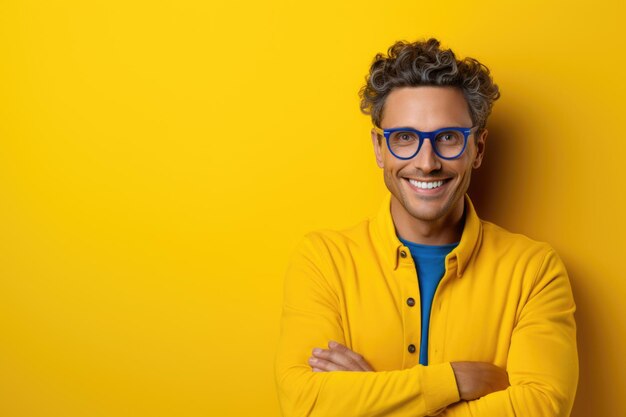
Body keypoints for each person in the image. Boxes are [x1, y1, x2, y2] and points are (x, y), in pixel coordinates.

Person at [275, 38, 578, 417]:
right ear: (379, 148)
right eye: (405, 138)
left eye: (447, 138)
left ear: (478, 149)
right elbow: (304, 404)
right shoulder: (323, 260)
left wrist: (371, 398)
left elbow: (543, 407)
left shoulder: (535, 271)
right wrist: (454, 380)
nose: (426, 162)